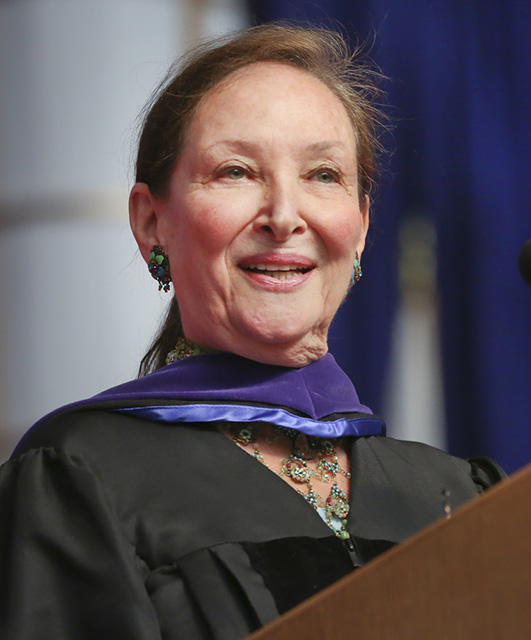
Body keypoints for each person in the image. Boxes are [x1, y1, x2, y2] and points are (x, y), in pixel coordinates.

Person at [0, 24, 504, 639]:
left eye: (323, 175)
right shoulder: (83, 475)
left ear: (363, 226)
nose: (285, 216)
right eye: (236, 171)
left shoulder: (456, 493)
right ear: (152, 222)